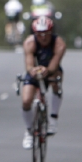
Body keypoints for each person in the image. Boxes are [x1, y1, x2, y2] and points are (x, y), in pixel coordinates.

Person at [20, 16, 66, 149]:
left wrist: (48, 70)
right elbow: (29, 64)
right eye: (40, 34)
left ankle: (53, 119)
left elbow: (55, 64)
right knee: (26, 100)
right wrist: (33, 70)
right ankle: (29, 131)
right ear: (35, 33)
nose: (43, 37)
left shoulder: (59, 44)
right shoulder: (29, 42)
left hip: (51, 69)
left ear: (51, 32)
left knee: (56, 81)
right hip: (35, 71)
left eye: (46, 33)